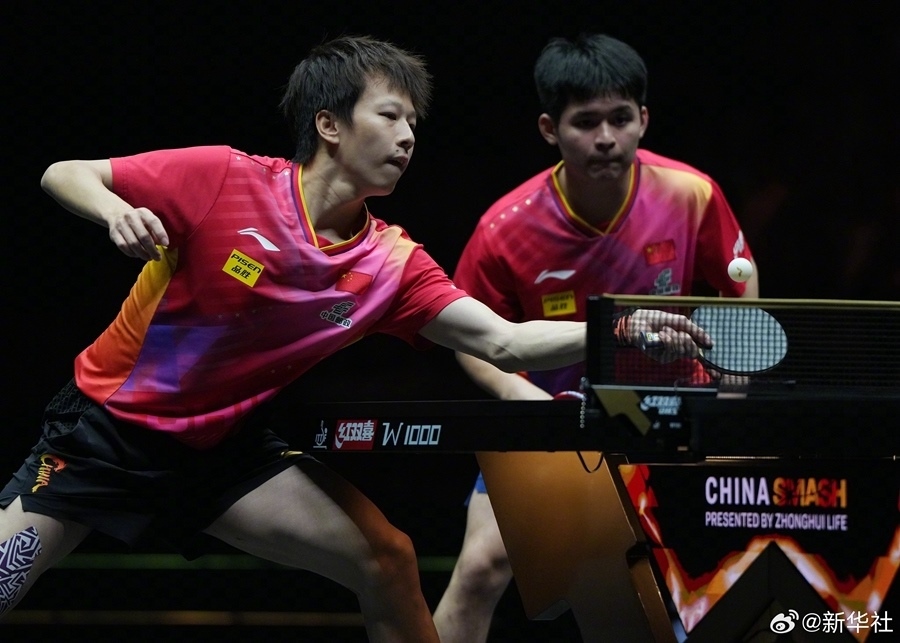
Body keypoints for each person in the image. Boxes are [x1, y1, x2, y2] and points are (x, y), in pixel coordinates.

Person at [0, 35, 710, 641]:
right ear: (330, 124)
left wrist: (616, 328)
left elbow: (504, 342)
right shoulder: (223, 177)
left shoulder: (391, 264)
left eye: (414, 122)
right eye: (390, 115)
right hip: (102, 438)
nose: (409, 136)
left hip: (222, 452)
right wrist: (114, 212)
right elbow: (65, 172)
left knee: (387, 558)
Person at [432, 33, 759, 642]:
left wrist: (733, 381)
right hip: (557, 421)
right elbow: (464, 336)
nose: (606, 137)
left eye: (620, 118)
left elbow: (740, 284)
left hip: (673, 415)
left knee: (724, 567)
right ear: (550, 129)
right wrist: (521, 399)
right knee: (479, 569)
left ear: (643, 120)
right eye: (585, 122)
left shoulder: (690, 193)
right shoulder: (505, 228)